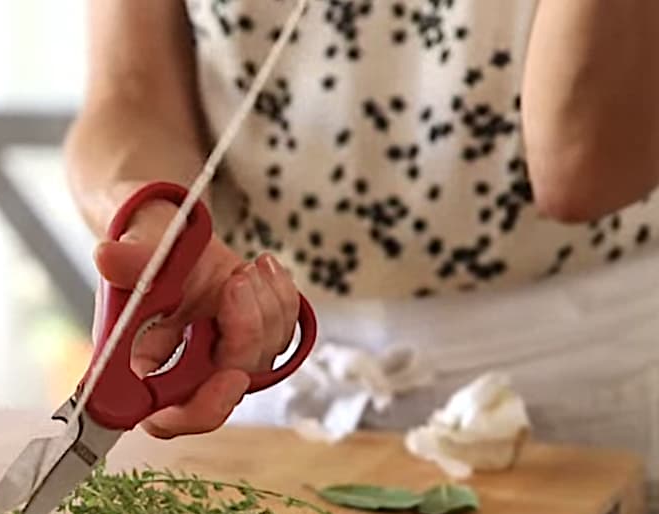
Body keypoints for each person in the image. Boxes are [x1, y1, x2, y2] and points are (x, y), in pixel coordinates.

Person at [63, 0, 659, 476]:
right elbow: (131, 91)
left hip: (582, 407)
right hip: (266, 385)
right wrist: (156, 225)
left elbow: (583, 164)